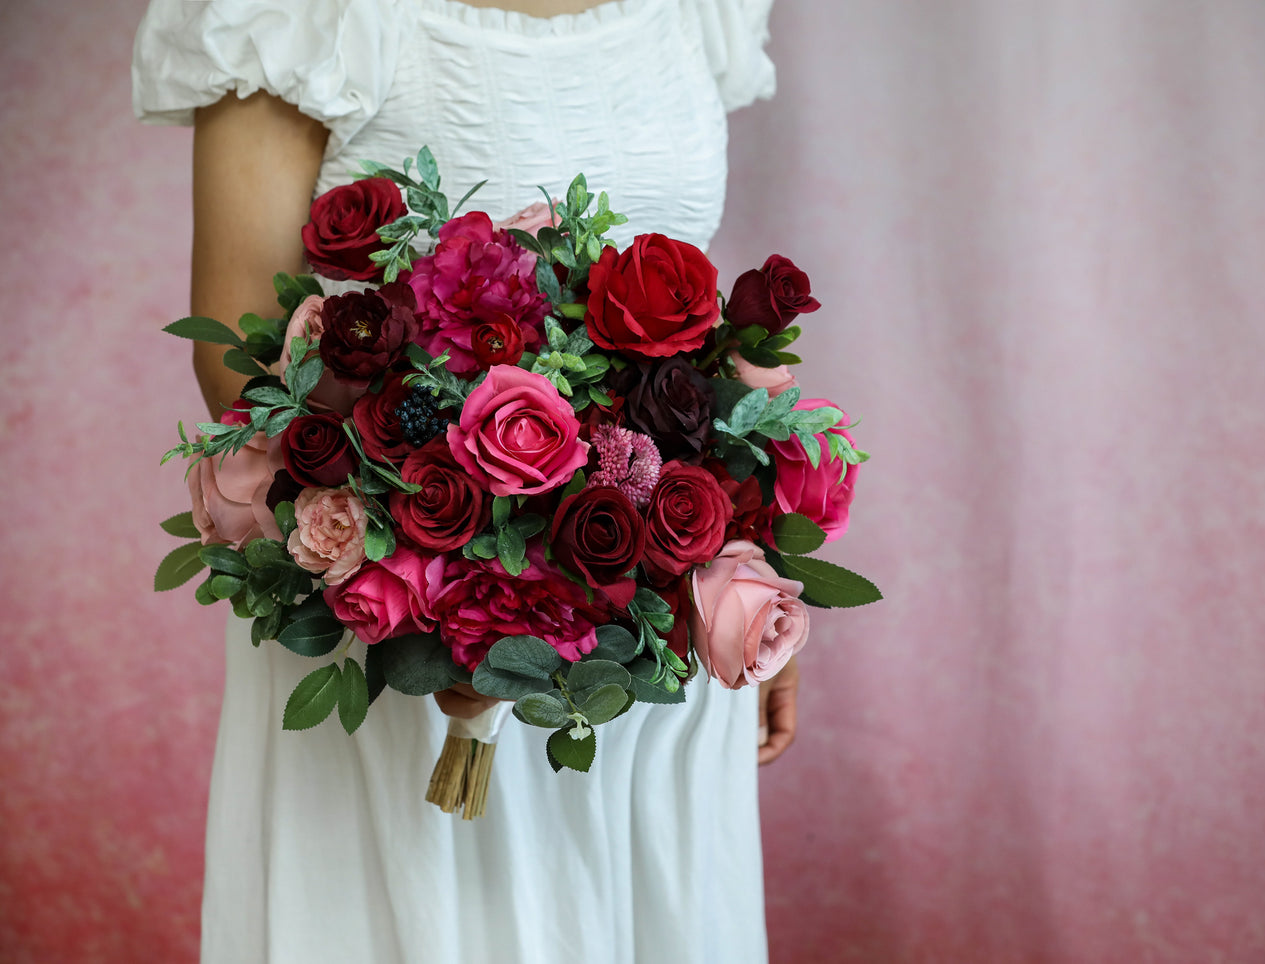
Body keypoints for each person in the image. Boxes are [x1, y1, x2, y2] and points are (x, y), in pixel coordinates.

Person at [132, 1, 800, 961]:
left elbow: (700, 338)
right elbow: (240, 362)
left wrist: (751, 591)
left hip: (651, 622)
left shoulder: (700, 12)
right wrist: (489, 597)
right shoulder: (288, 15)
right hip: (405, 613)